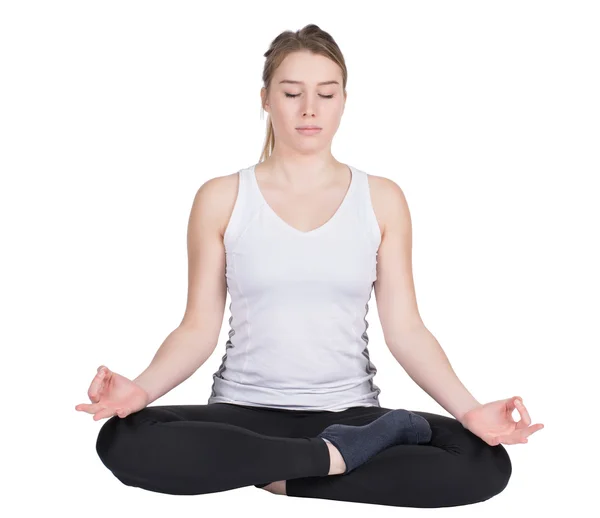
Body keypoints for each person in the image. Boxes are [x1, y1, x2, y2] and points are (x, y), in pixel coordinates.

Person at [75, 24, 544, 508]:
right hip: (242, 413)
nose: (309, 109)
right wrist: (140, 391)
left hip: (353, 415)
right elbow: (197, 328)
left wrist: (469, 411)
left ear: (344, 99)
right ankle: (326, 462)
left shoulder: (382, 198)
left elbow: (406, 330)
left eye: (326, 93)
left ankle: (272, 470)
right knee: (122, 439)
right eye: (292, 92)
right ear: (265, 98)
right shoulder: (220, 197)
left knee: (482, 460)